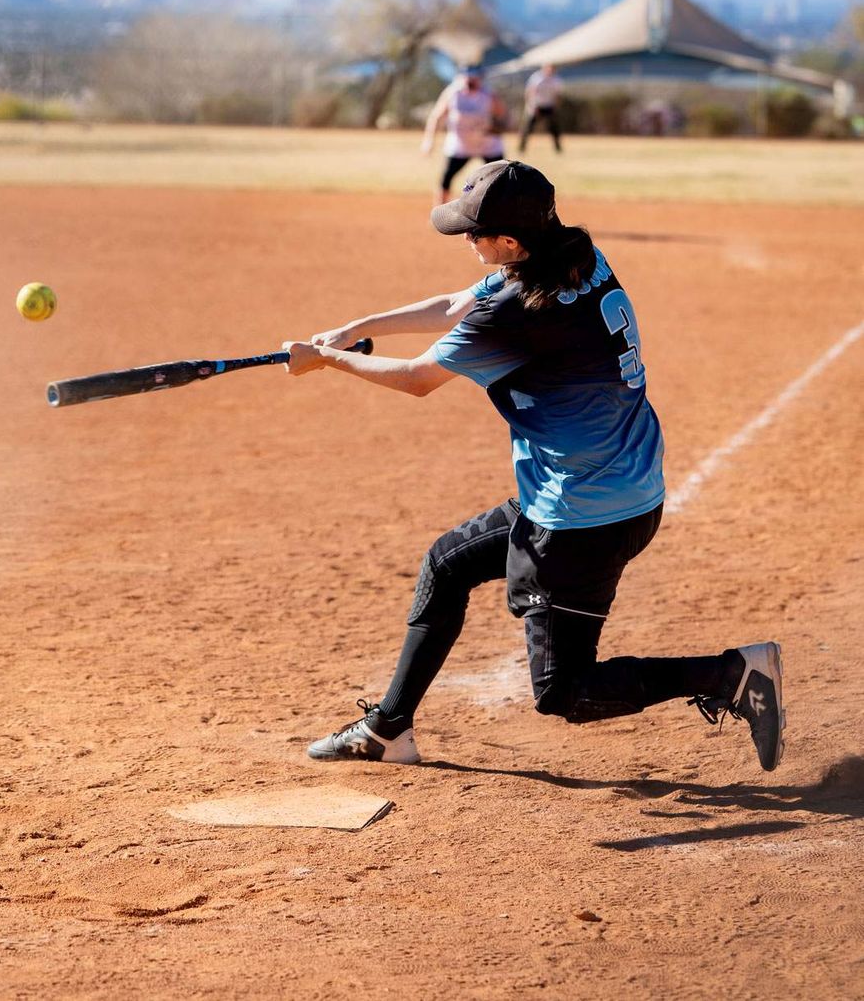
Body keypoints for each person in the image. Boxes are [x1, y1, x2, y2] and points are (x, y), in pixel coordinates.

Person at [282, 160, 785, 773]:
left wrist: (328, 362)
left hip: (582, 517)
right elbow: (454, 305)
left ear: (510, 242)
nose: (466, 241)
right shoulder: (575, 258)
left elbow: (417, 379)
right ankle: (388, 729)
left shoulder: (515, 312)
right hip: (607, 486)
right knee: (447, 564)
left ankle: (733, 674)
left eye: (473, 232)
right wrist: (355, 329)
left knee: (564, 692)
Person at [421, 69, 505, 204]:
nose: (470, 83)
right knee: (446, 177)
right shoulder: (453, 93)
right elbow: (436, 117)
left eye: (474, 80)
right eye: (467, 79)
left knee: (502, 178)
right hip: (461, 145)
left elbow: (503, 118)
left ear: (480, 80)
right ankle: (438, 210)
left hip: (487, 144)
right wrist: (428, 141)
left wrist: (492, 128)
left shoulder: (489, 95)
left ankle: (503, 211)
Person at [519, 63, 564, 153]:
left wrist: (556, 107)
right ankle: (522, 147)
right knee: (528, 127)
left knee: (554, 127)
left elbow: (558, 95)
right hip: (536, 105)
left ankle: (558, 148)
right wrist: (531, 105)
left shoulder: (556, 79)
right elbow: (530, 92)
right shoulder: (537, 78)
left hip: (549, 105)